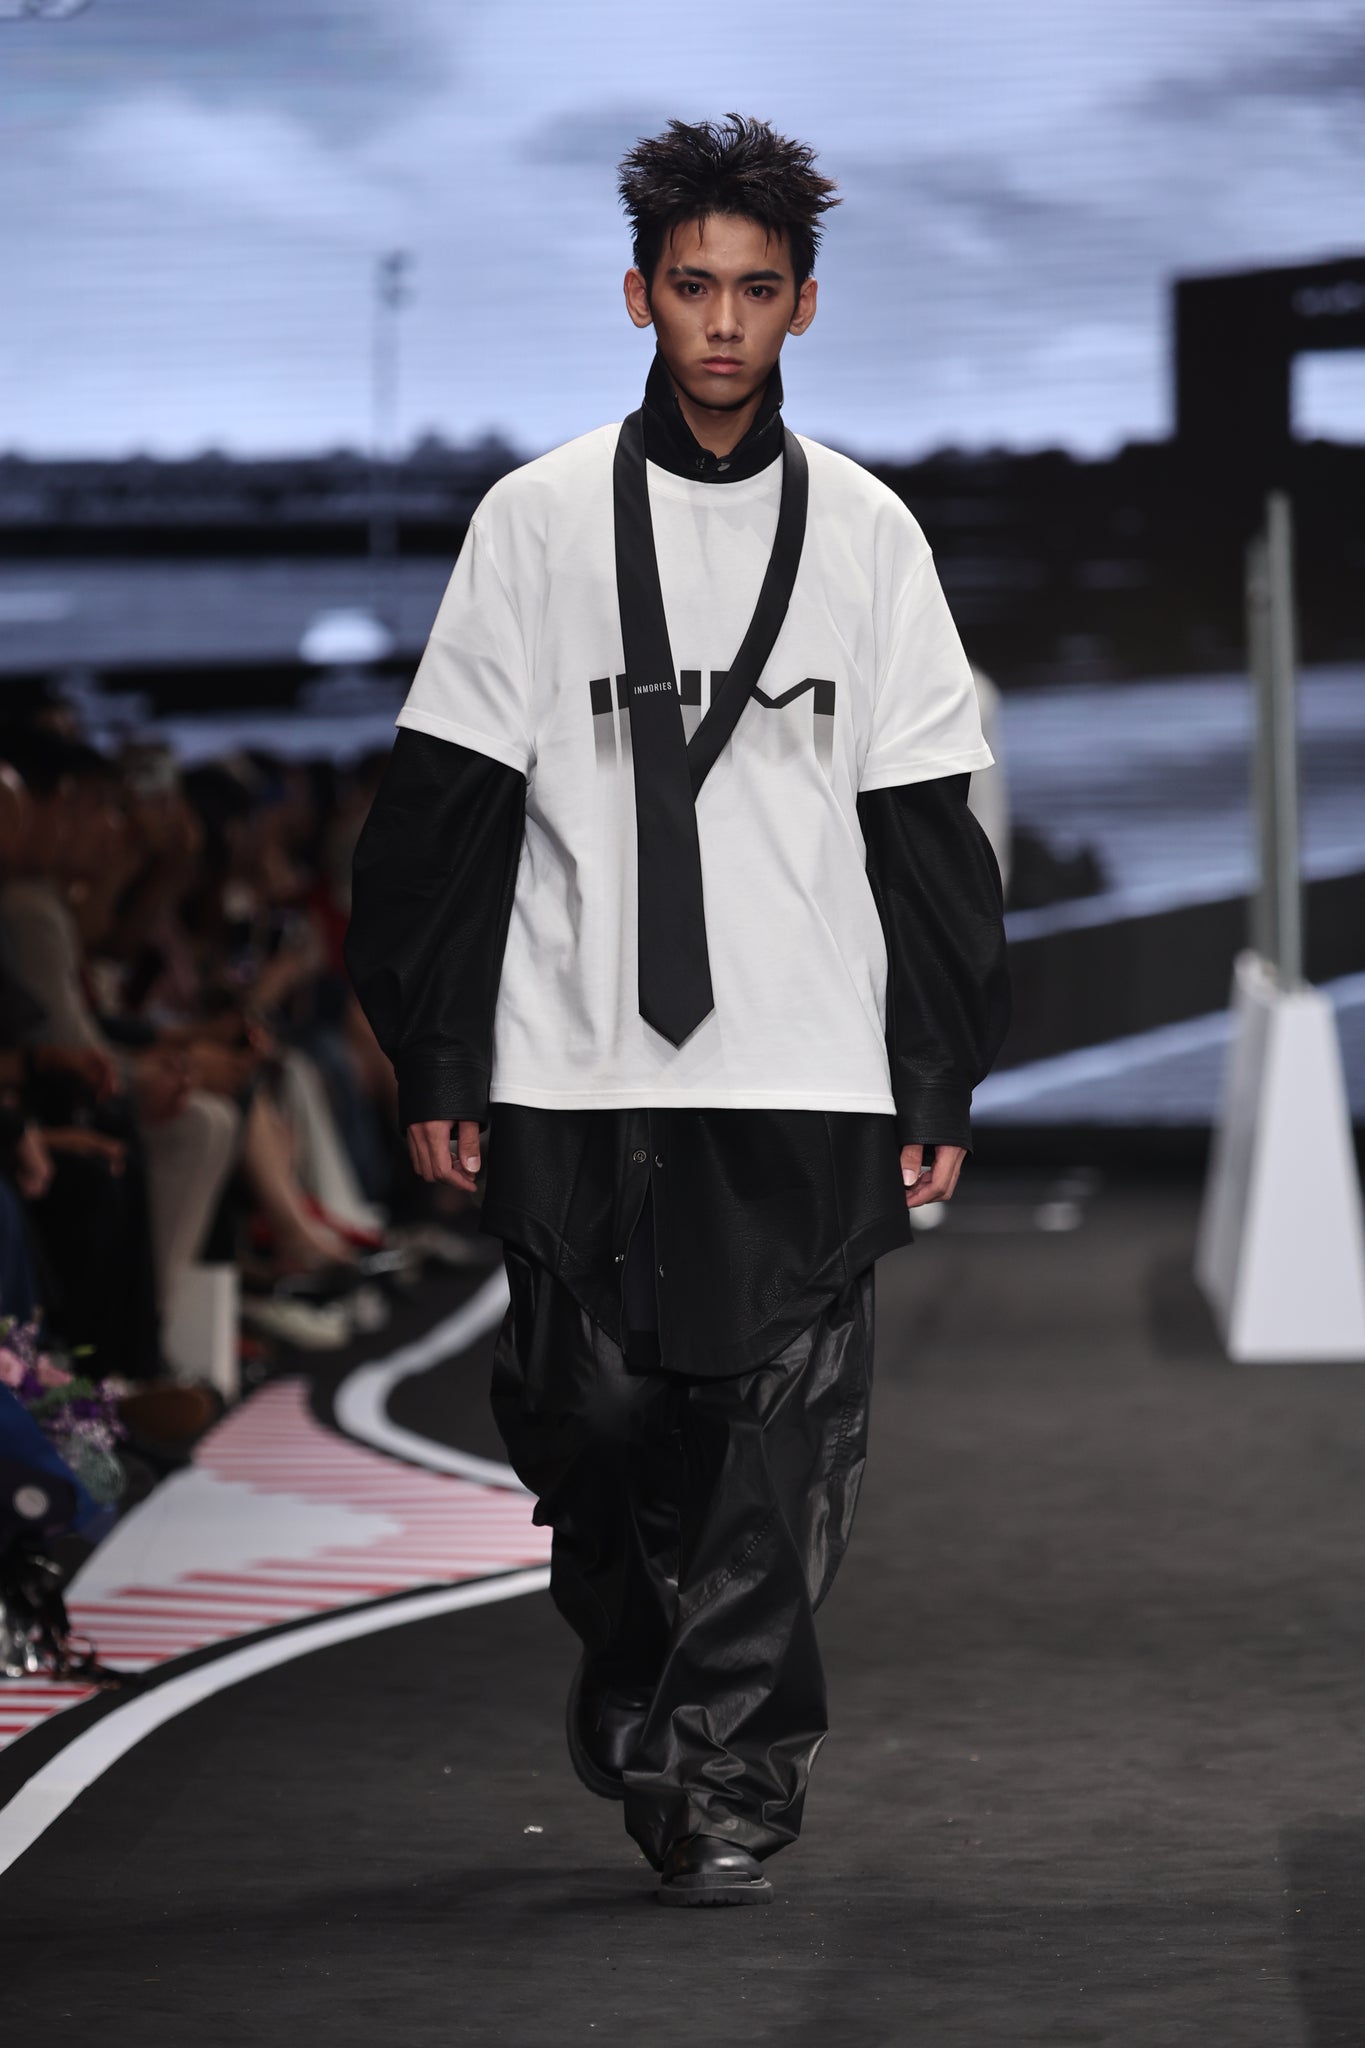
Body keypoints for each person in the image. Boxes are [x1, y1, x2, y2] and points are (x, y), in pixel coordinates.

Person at [347, 114, 1009, 1907]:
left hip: (804, 1059)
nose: (724, 322)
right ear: (637, 294)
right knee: (587, 1423)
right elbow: (442, 814)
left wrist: (936, 1069)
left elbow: (925, 832)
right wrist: (439, 1050)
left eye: (757, 290)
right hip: (572, 1056)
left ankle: (726, 1786)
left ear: (805, 306)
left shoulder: (866, 533)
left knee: (767, 1452)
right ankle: (644, 1678)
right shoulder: (536, 521)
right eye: (694, 286)